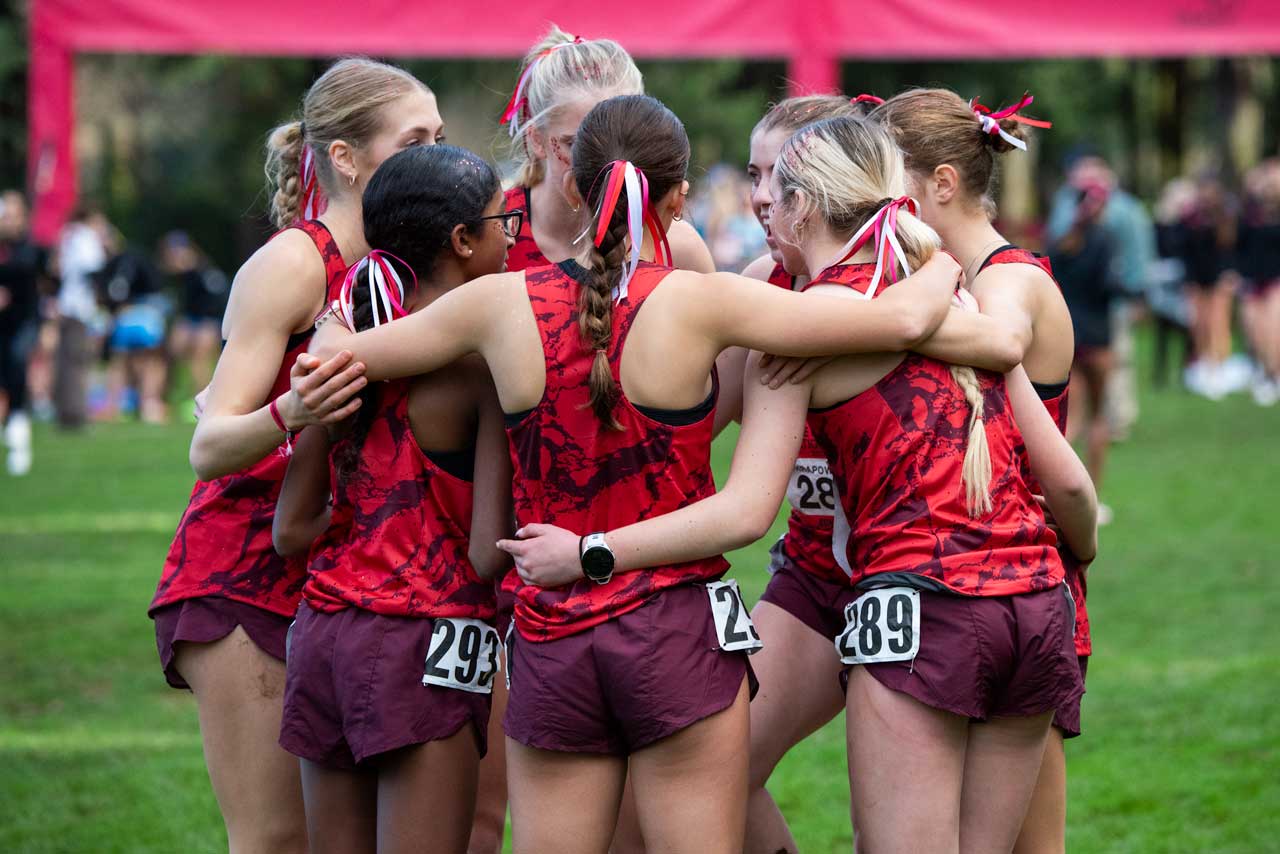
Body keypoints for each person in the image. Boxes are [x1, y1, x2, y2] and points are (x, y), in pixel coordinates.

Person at [298, 94, 963, 853]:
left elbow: (333, 360)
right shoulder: (709, 302)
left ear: (574, 188)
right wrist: (941, 260)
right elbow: (903, 321)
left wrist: (347, 300)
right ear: (678, 199)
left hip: (551, 631)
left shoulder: (496, 303)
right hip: (675, 630)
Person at [498, 114, 1096, 854]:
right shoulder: (962, 304)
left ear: (805, 205)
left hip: (919, 602)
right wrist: (1075, 561)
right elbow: (1069, 483)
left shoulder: (804, 330)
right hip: (1031, 599)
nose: (758, 201)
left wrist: (592, 546)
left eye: (771, 185)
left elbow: (743, 507)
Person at [148, 58, 444, 854]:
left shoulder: (411, 265)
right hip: (242, 574)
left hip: (341, 577)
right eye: (414, 139)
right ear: (344, 157)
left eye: (440, 138)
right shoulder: (295, 262)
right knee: (279, 840)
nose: (434, 155)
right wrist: (293, 410)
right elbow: (209, 444)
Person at [479, 28, 719, 851]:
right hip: (493, 555)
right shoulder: (486, 238)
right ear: (540, 142)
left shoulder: (675, 245)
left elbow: (705, 396)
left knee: (640, 822)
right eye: (583, 136)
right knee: (485, 809)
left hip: (635, 572)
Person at [272, 144, 515, 854]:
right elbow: (485, 552)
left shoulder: (343, 357)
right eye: (503, 220)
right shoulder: (478, 373)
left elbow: (291, 529)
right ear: (463, 241)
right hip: (427, 640)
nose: (512, 235)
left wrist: (364, 529)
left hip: (323, 634)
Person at [876, 87, 1092, 854]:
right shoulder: (950, 278)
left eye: (884, 180)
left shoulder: (1008, 280)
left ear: (940, 183)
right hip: (976, 579)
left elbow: (998, 344)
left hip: (1024, 578)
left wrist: (846, 320)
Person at [1046, 153, 1154, 435]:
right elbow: (1113, 277)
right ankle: (1109, 421)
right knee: (1111, 372)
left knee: (1076, 379)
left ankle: (1077, 426)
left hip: (1071, 316)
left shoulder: (1064, 233)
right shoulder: (1104, 236)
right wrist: (1135, 293)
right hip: (1099, 321)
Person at [96, 226, 171, 423]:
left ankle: (113, 406)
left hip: (125, 316)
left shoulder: (111, 265)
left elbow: (111, 294)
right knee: (151, 361)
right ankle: (149, 404)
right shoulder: (134, 257)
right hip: (146, 314)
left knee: (120, 362)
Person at [0, 190, 47, 475]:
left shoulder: (29, 249)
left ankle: (19, 432)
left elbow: (27, 272)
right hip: (3, 325)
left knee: (17, 367)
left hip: (24, 321)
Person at [52, 206, 107, 429]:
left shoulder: (69, 236)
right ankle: (75, 413)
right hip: (80, 307)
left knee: (65, 362)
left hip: (67, 304)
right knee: (77, 361)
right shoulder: (86, 238)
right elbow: (93, 269)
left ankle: (64, 411)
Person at [162, 231, 230, 408]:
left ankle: (202, 402)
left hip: (209, 320)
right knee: (170, 351)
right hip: (191, 319)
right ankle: (162, 398)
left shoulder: (205, 272)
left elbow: (218, 302)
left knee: (199, 358)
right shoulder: (181, 275)